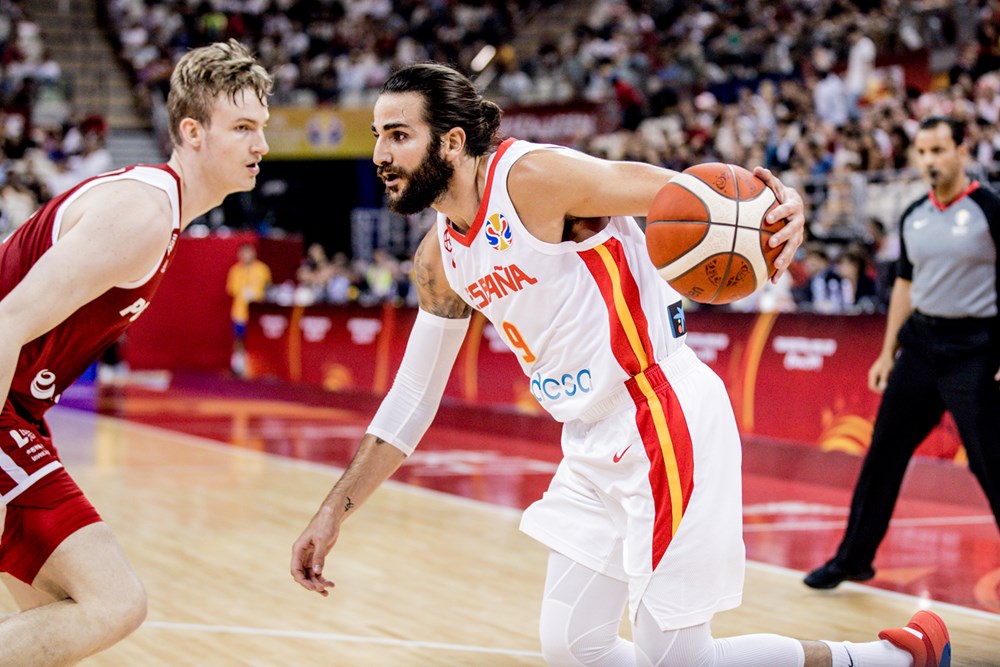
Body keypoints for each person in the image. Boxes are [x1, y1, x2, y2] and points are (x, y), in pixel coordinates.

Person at [291, 63, 950, 667]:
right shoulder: (439, 260)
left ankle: (893, 659)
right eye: (379, 136)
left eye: (399, 135)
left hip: (660, 409)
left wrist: (780, 208)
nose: (380, 154)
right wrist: (332, 512)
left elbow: (693, 197)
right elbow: (412, 398)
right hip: (587, 439)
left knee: (678, 656)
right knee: (574, 641)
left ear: (453, 141)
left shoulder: (533, 179)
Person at [0, 39, 270, 665]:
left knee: (49, 620)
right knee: (112, 603)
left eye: (261, 127)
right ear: (193, 131)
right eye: (243, 128)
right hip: (4, 408)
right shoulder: (143, 210)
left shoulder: (158, 210)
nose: (260, 145)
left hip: (22, 411)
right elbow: (7, 319)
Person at [805, 115, 1000, 595]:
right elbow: (905, 287)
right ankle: (852, 559)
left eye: (939, 150)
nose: (930, 160)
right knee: (884, 454)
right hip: (919, 347)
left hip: (974, 348)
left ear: (961, 150)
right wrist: (887, 350)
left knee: (991, 461)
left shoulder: (989, 209)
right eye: (923, 152)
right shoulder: (913, 214)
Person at [226, 241, 272, 376]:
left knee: (258, 341)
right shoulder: (235, 270)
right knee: (239, 339)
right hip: (240, 312)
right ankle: (239, 366)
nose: (246, 255)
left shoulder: (262, 269)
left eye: (249, 252)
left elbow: (268, 288)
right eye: (243, 252)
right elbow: (231, 290)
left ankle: (259, 367)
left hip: (257, 313)